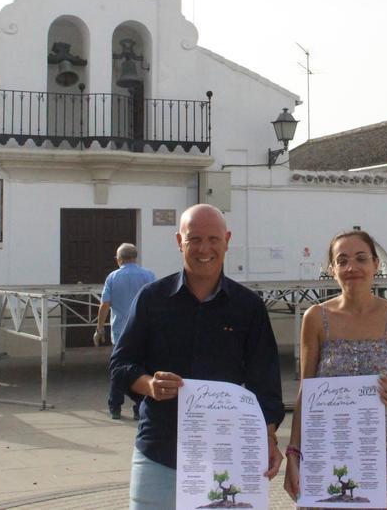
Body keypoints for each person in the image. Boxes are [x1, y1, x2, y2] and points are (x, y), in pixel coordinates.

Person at [109, 204, 284, 509]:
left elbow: (265, 383)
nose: (205, 249)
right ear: (179, 241)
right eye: (194, 240)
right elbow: (121, 365)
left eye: (214, 239)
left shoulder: (249, 307)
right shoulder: (152, 299)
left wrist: (267, 435)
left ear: (227, 240)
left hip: (226, 453)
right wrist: (149, 384)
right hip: (160, 451)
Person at [283, 229, 387, 509]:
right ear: (332, 269)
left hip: (386, 448)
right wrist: (293, 453)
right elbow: (306, 390)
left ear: (375, 265)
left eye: (361, 258)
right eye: (342, 260)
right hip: (330, 447)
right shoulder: (315, 318)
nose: (352, 268)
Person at [95, 242, 156, 420]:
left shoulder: (113, 277)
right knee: (143, 370)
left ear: (119, 259)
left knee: (118, 369)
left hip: (120, 332)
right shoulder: (149, 275)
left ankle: (115, 406)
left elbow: (104, 304)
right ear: (135, 257)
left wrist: (99, 328)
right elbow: (156, 302)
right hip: (145, 332)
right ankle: (139, 407)